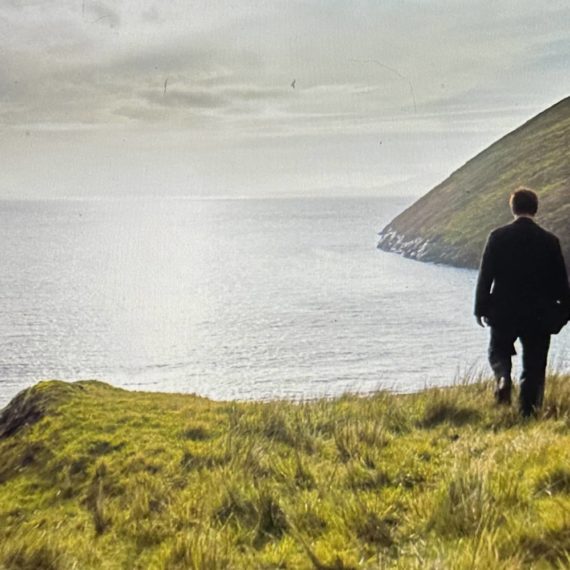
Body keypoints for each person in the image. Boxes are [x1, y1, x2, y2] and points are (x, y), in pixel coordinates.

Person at [474, 187, 570, 416]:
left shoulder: (497, 237)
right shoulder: (550, 241)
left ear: (513, 208)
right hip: (538, 314)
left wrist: (480, 308)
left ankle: (503, 379)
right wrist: (562, 315)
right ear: (535, 209)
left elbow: (485, 275)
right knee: (534, 366)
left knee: (498, 351)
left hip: (503, 311)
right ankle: (528, 412)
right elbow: (561, 282)